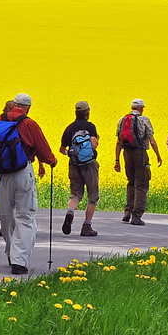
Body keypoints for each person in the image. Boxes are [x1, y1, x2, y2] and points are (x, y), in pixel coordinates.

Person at [0, 93, 57, 274]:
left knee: (6, 215)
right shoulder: (29, 124)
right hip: (23, 173)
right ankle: (19, 261)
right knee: (25, 216)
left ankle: (10, 252)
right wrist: (52, 161)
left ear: (13, 105)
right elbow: (45, 153)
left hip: (1, 176)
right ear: (28, 107)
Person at [114, 98, 162, 225]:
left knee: (131, 182)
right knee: (141, 184)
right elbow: (151, 140)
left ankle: (127, 211)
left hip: (126, 153)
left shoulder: (122, 120)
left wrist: (117, 160)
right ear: (141, 108)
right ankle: (136, 216)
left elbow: (119, 141)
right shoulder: (144, 120)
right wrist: (158, 155)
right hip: (140, 153)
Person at [60, 100, 102, 237]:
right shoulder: (90, 126)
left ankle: (70, 212)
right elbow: (94, 145)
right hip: (89, 164)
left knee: (76, 194)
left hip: (74, 165)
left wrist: (72, 155)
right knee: (92, 197)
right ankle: (87, 226)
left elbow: (62, 149)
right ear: (88, 113)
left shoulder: (70, 128)